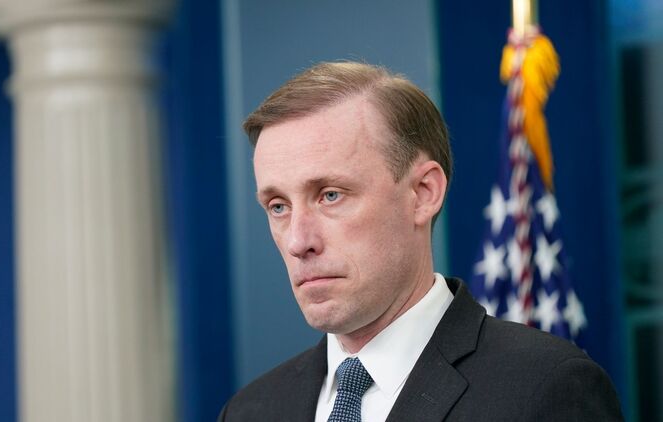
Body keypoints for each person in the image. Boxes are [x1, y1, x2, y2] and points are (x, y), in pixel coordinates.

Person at [218, 61, 622, 421]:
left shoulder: (546, 389)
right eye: (278, 206)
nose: (297, 241)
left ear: (423, 193)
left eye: (330, 195)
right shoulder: (249, 411)